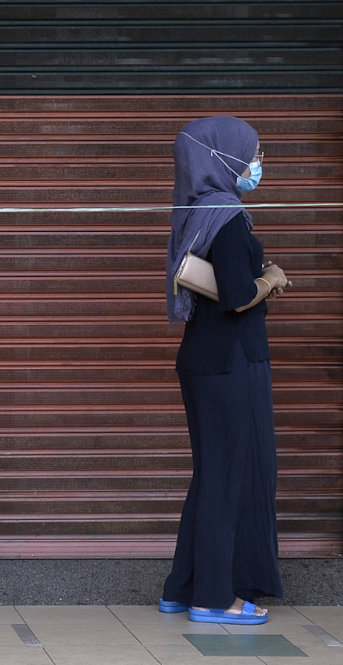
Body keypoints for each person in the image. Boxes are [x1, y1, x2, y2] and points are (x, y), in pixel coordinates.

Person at [160, 116, 289, 625]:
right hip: (231, 363)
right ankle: (214, 597)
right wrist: (273, 278)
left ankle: (183, 585)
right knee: (227, 478)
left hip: (204, 361)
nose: (258, 164)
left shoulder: (195, 210)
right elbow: (237, 297)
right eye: (254, 154)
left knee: (212, 476)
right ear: (225, 157)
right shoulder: (228, 214)